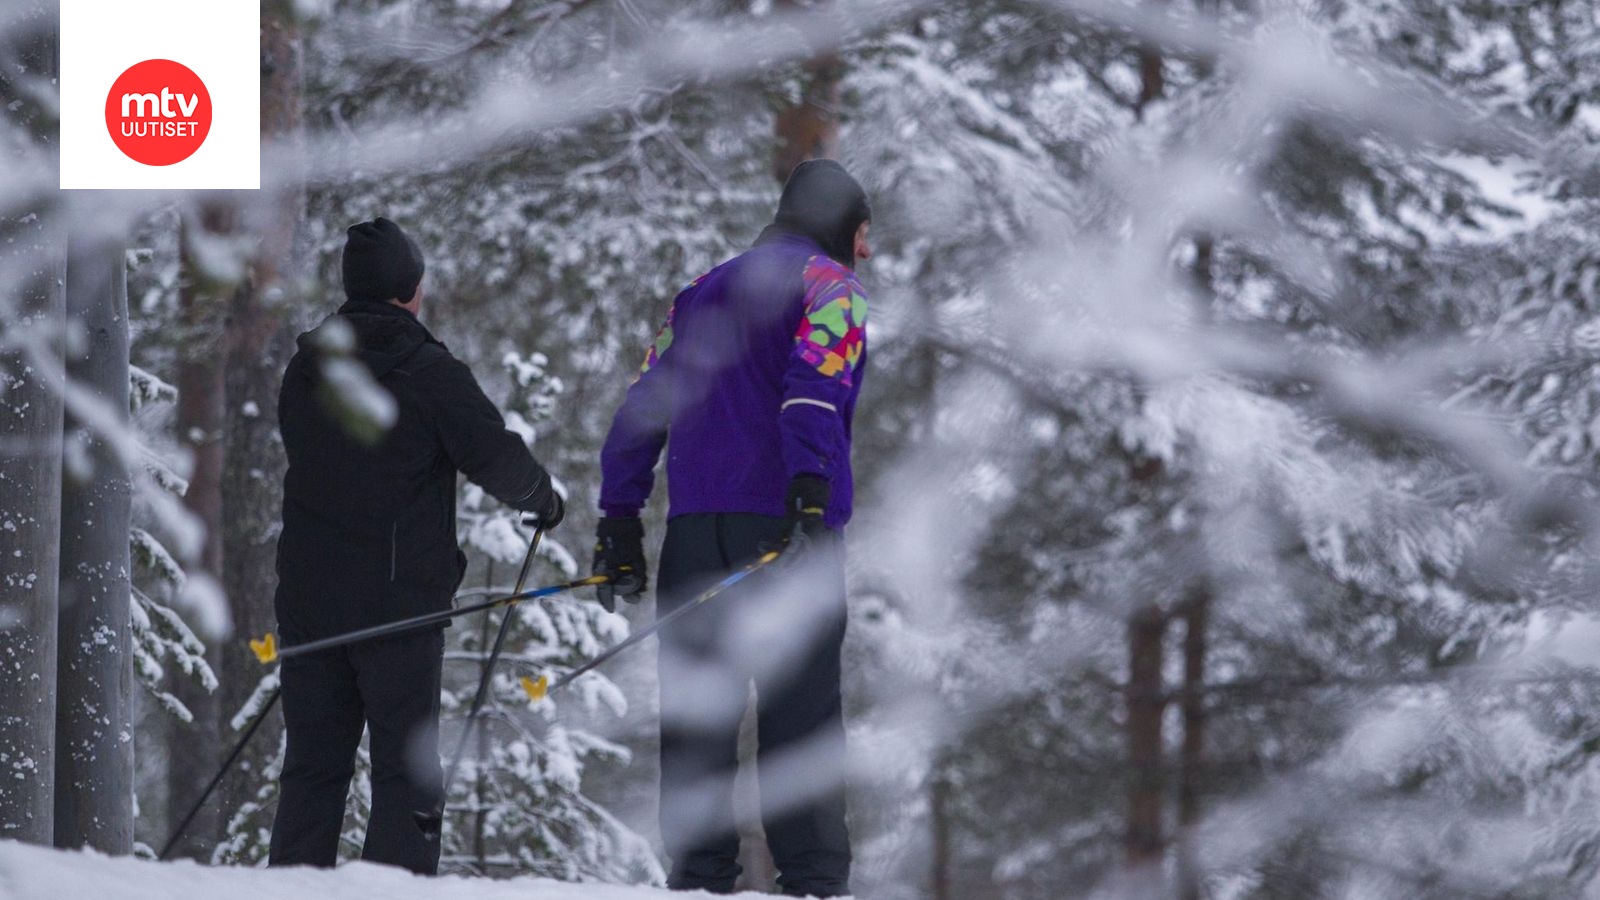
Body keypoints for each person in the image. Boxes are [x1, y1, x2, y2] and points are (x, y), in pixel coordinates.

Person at [593, 159, 872, 897]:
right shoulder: (829, 287)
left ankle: (698, 877)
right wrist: (809, 494)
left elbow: (641, 406)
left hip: (693, 538)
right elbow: (813, 387)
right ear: (843, 225)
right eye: (864, 234)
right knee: (800, 712)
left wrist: (619, 517)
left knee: (698, 718)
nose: (866, 252)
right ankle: (811, 881)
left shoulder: (700, 293)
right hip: (784, 532)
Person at [268, 217, 564, 874]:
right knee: (406, 775)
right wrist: (544, 501)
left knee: (314, 768)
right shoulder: (428, 371)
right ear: (411, 288)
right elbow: (493, 455)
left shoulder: (304, 370)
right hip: (398, 607)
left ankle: (288, 888)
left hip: (310, 600)